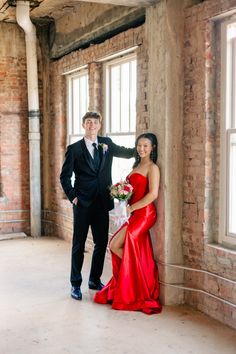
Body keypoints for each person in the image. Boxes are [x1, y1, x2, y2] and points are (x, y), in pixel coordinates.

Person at [60, 111, 134, 300]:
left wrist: (143, 149)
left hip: (102, 202)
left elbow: (125, 153)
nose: (92, 125)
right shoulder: (74, 149)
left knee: (101, 243)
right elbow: (65, 176)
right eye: (88, 122)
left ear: (100, 125)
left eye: (95, 122)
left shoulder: (106, 144)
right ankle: (75, 284)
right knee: (79, 244)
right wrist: (73, 197)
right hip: (82, 203)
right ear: (84, 125)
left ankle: (94, 279)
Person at [94, 133, 162, 314]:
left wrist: (132, 208)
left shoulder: (152, 168)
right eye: (139, 145)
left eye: (145, 146)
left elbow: (153, 194)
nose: (141, 149)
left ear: (152, 148)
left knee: (122, 243)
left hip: (145, 214)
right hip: (132, 213)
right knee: (114, 245)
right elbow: (133, 191)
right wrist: (121, 195)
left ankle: (140, 283)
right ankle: (137, 277)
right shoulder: (137, 165)